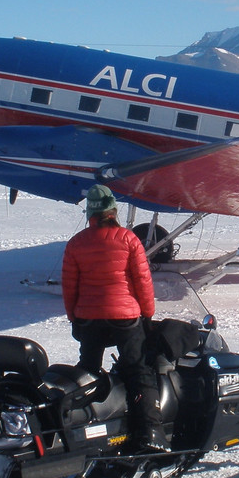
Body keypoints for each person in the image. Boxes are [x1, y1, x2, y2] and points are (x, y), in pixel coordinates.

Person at [61, 184, 163, 452]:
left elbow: (69, 285)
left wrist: (74, 316)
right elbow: (142, 280)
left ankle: (84, 430)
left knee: (88, 372)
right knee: (138, 371)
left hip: (89, 318)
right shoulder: (129, 240)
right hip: (126, 317)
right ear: (112, 212)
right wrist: (148, 314)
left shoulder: (76, 243)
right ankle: (150, 433)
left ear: (91, 214)